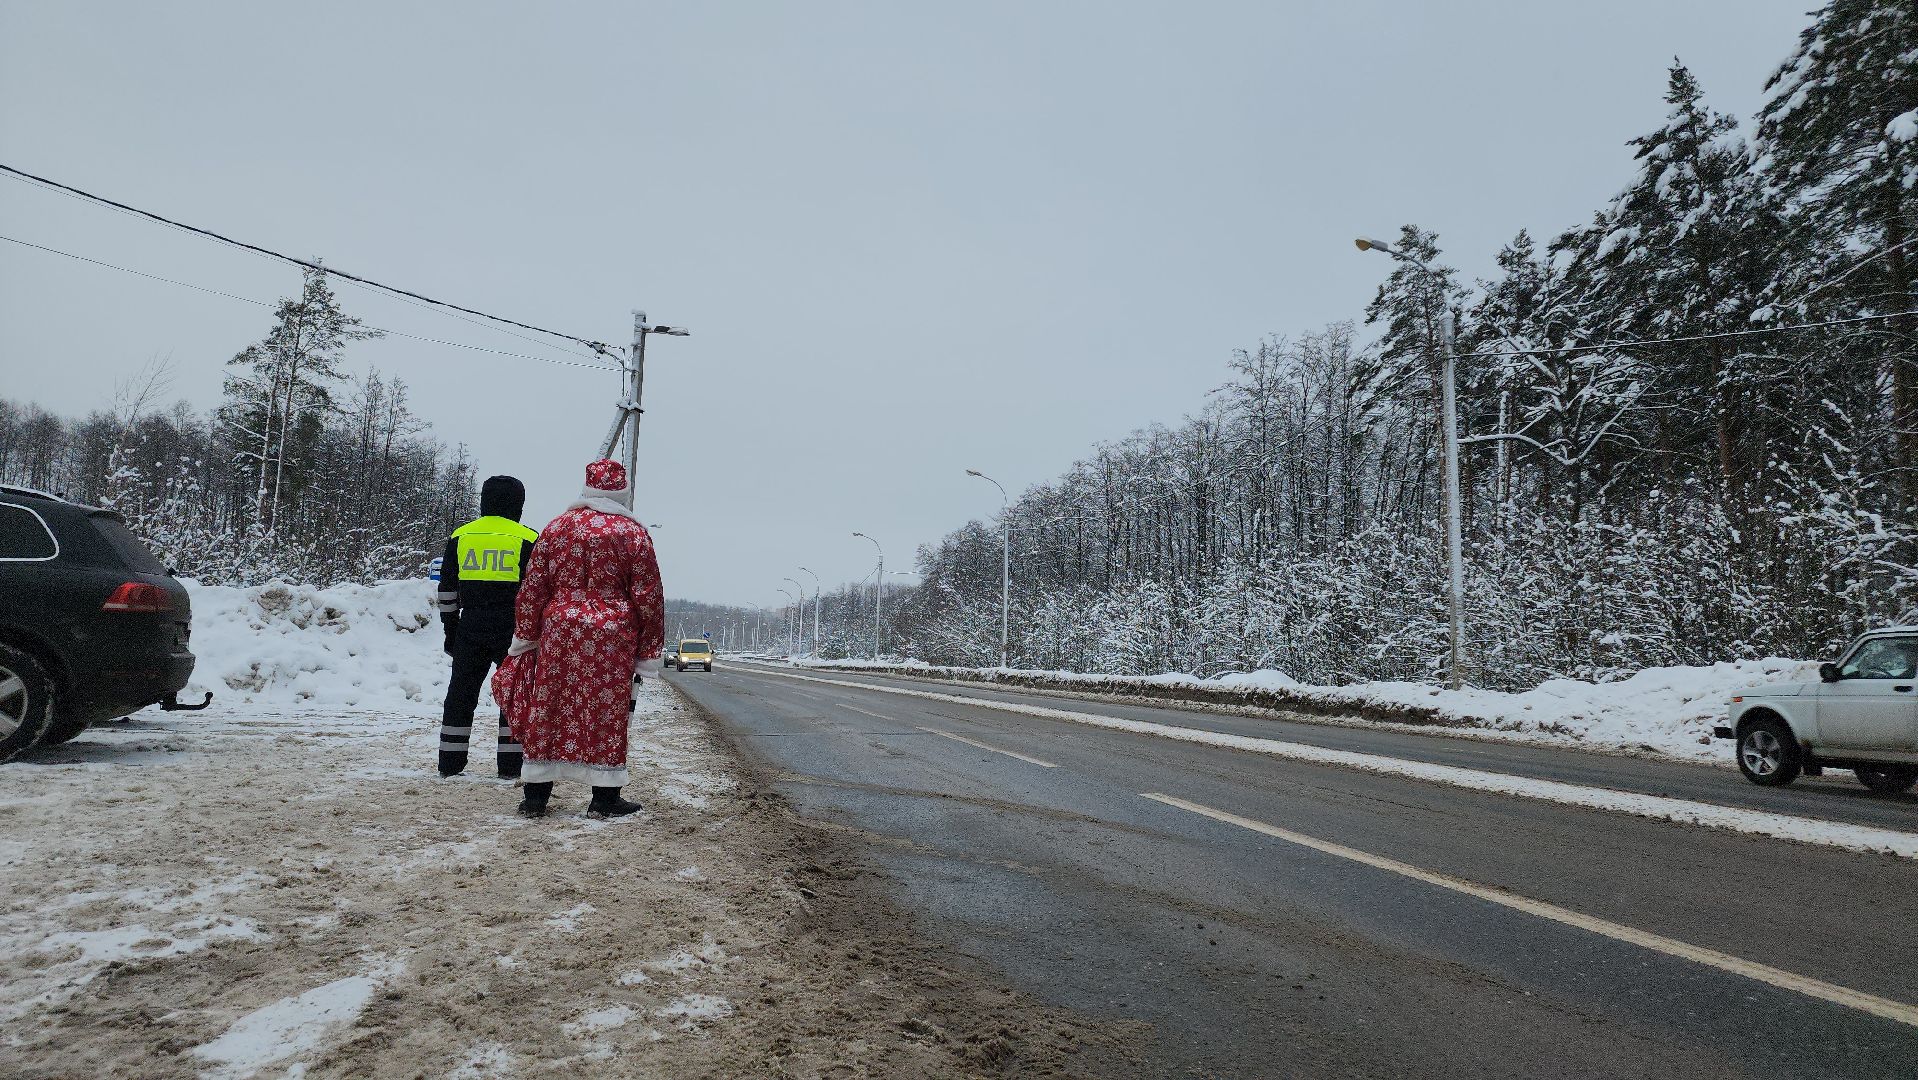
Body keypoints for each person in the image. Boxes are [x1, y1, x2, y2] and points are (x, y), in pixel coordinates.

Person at [504, 459, 665, 818]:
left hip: (559, 632)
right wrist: (648, 649)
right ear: (622, 493)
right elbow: (649, 596)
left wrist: (526, 635)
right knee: (607, 711)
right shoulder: (633, 534)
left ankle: (536, 796)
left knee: (549, 706)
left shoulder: (557, 528)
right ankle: (604, 799)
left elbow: (533, 586)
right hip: (612, 637)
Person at [434, 475, 538, 779]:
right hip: (512, 629)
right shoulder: (528, 539)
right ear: (518, 504)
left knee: (461, 694)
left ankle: (450, 763)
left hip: (471, 624)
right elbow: (535, 593)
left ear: (484, 501)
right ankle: (510, 766)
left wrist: (451, 630)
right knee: (514, 696)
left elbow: (447, 591)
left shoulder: (461, 536)